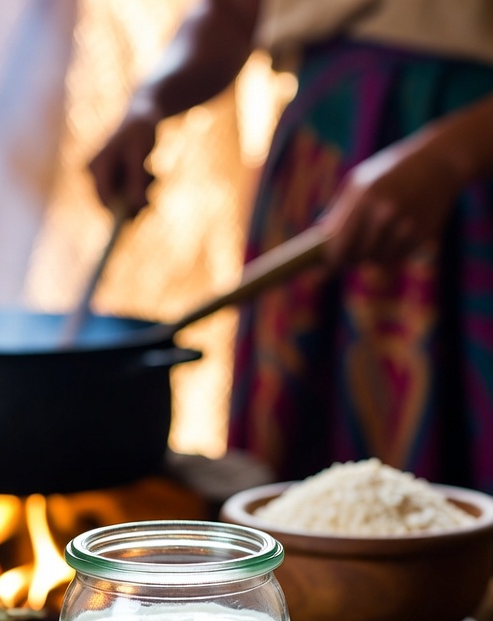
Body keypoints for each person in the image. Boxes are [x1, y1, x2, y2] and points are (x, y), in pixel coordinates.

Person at [89, 0, 493, 494]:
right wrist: (147, 104)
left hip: (476, 164)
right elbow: (234, 13)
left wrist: (450, 160)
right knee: (304, 460)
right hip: (321, 155)